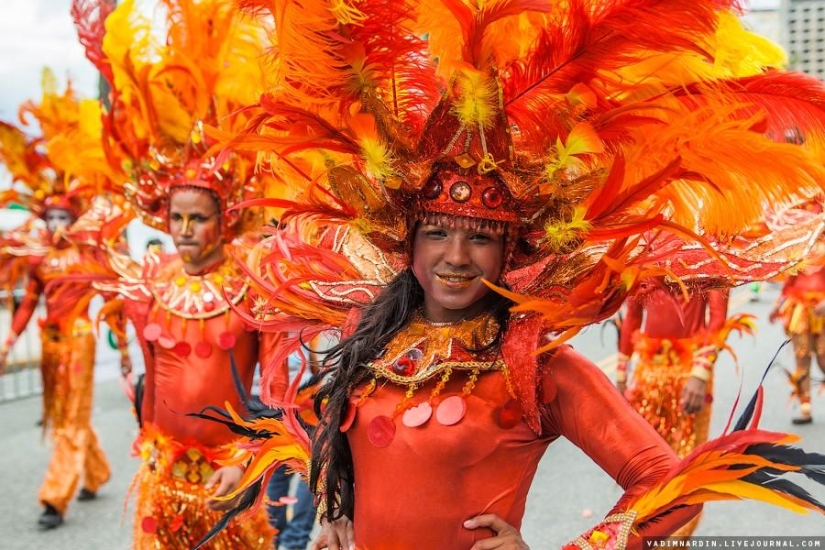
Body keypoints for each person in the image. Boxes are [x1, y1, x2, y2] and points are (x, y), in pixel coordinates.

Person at [197, 2, 825, 548]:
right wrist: (335, 505)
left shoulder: (534, 366)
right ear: (406, 241)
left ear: (510, 252)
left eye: (481, 237)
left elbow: (668, 484)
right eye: (436, 233)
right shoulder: (372, 337)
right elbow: (338, 433)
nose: (455, 256)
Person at [0, 83, 131, 530]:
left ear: (73, 219)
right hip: (50, 345)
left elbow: (114, 299)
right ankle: (97, 471)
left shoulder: (90, 256)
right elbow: (28, 303)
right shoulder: (37, 260)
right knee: (65, 415)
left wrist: (125, 347)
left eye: (63, 218)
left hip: (79, 343)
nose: (56, 224)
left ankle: (54, 499)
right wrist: (9, 340)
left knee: (69, 420)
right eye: (50, 217)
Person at [616, 281, 756, 536]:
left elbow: (717, 318)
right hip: (648, 375)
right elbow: (633, 317)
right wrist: (622, 375)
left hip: (690, 373)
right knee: (649, 465)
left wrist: (700, 373)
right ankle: (650, 534)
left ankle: (674, 538)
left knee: (686, 463)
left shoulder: (706, 260)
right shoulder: (642, 262)